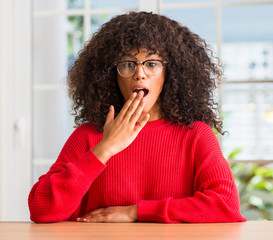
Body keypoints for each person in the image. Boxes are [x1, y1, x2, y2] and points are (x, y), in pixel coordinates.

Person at [28, 11, 246, 223]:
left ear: (170, 74)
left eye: (151, 64)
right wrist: (104, 149)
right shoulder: (88, 135)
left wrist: (135, 212)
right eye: (128, 64)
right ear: (111, 75)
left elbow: (225, 205)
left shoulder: (196, 135)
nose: (139, 73)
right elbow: (42, 209)